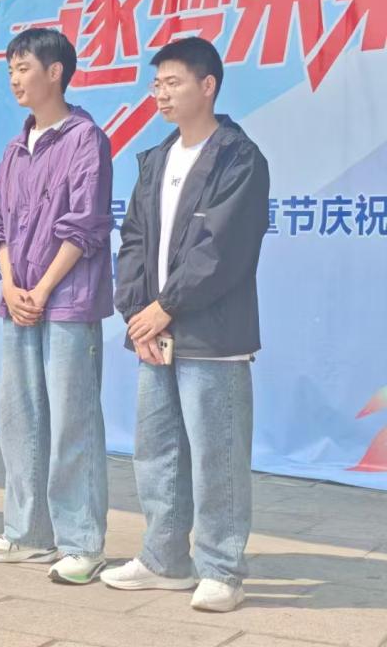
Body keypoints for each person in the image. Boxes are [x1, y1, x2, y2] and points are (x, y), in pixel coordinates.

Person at [101, 37, 270, 612]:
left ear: (208, 86)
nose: (161, 94)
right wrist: (137, 314)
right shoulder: (155, 159)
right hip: (156, 331)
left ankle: (222, 569)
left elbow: (221, 249)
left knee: (218, 455)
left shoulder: (238, 158)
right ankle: (164, 559)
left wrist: (165, 307)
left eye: (173, 83)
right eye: (156, 84)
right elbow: (132, 240)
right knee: (158, 452)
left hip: (212, 335)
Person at [0, 27, 114, 585]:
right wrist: (10, 285)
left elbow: (86, 225)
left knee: (73, 421)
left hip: (68, 302)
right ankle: (28, 533)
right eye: (10, 69)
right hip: (19, 301)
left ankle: (82, 543)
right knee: (20, 418)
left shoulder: (85, 139)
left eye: (24, 67)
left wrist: (44, 288)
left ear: (55, 73)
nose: (14, 79)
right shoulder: (16, 147)